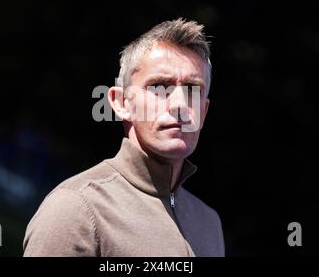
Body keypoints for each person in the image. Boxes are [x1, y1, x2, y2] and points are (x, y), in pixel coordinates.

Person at [23, 18, 225, 257]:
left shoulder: (208, 223)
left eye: (193, 89)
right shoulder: (78, 208)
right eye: (160, 86)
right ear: (121, 103)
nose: (180, 104)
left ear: (203, 111)